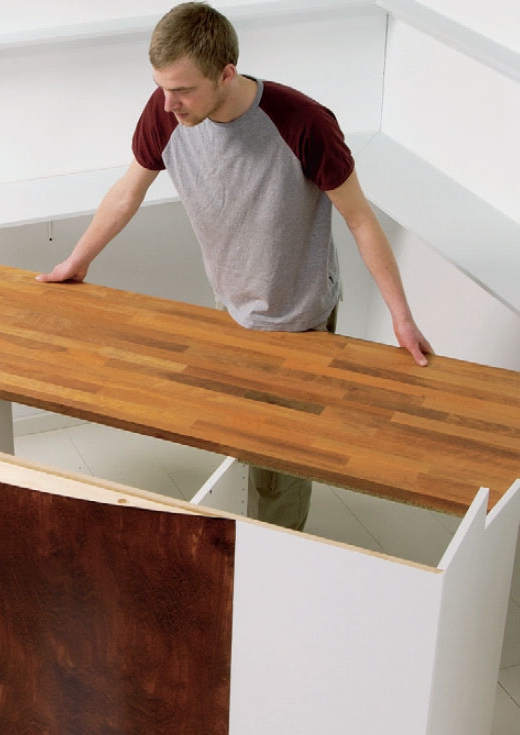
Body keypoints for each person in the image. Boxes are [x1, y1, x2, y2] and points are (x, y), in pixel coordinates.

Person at [37, 2, 432, 530]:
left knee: (279, 466)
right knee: (236, 435)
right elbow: (128, 191)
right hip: (228, 301)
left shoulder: (303, 123)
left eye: (183, 90)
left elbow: (360, 220)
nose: (169, 103)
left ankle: (279, 555)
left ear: (226, 73)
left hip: (296, 315)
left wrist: (401, 317)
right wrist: (76, 261)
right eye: (161, 87)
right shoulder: (166, 112)